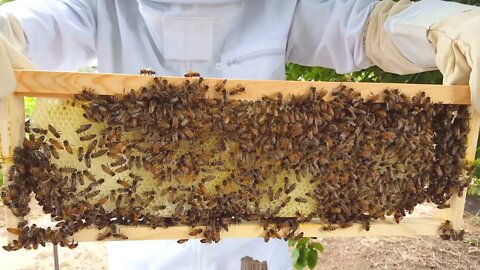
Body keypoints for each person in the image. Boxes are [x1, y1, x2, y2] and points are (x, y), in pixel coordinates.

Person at [0, 0, 479, 269]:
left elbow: (370, 29)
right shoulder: (92, 7)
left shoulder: (282, 5)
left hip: (258, 248)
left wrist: (441, 26)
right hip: (141, 246)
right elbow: (27, 27)